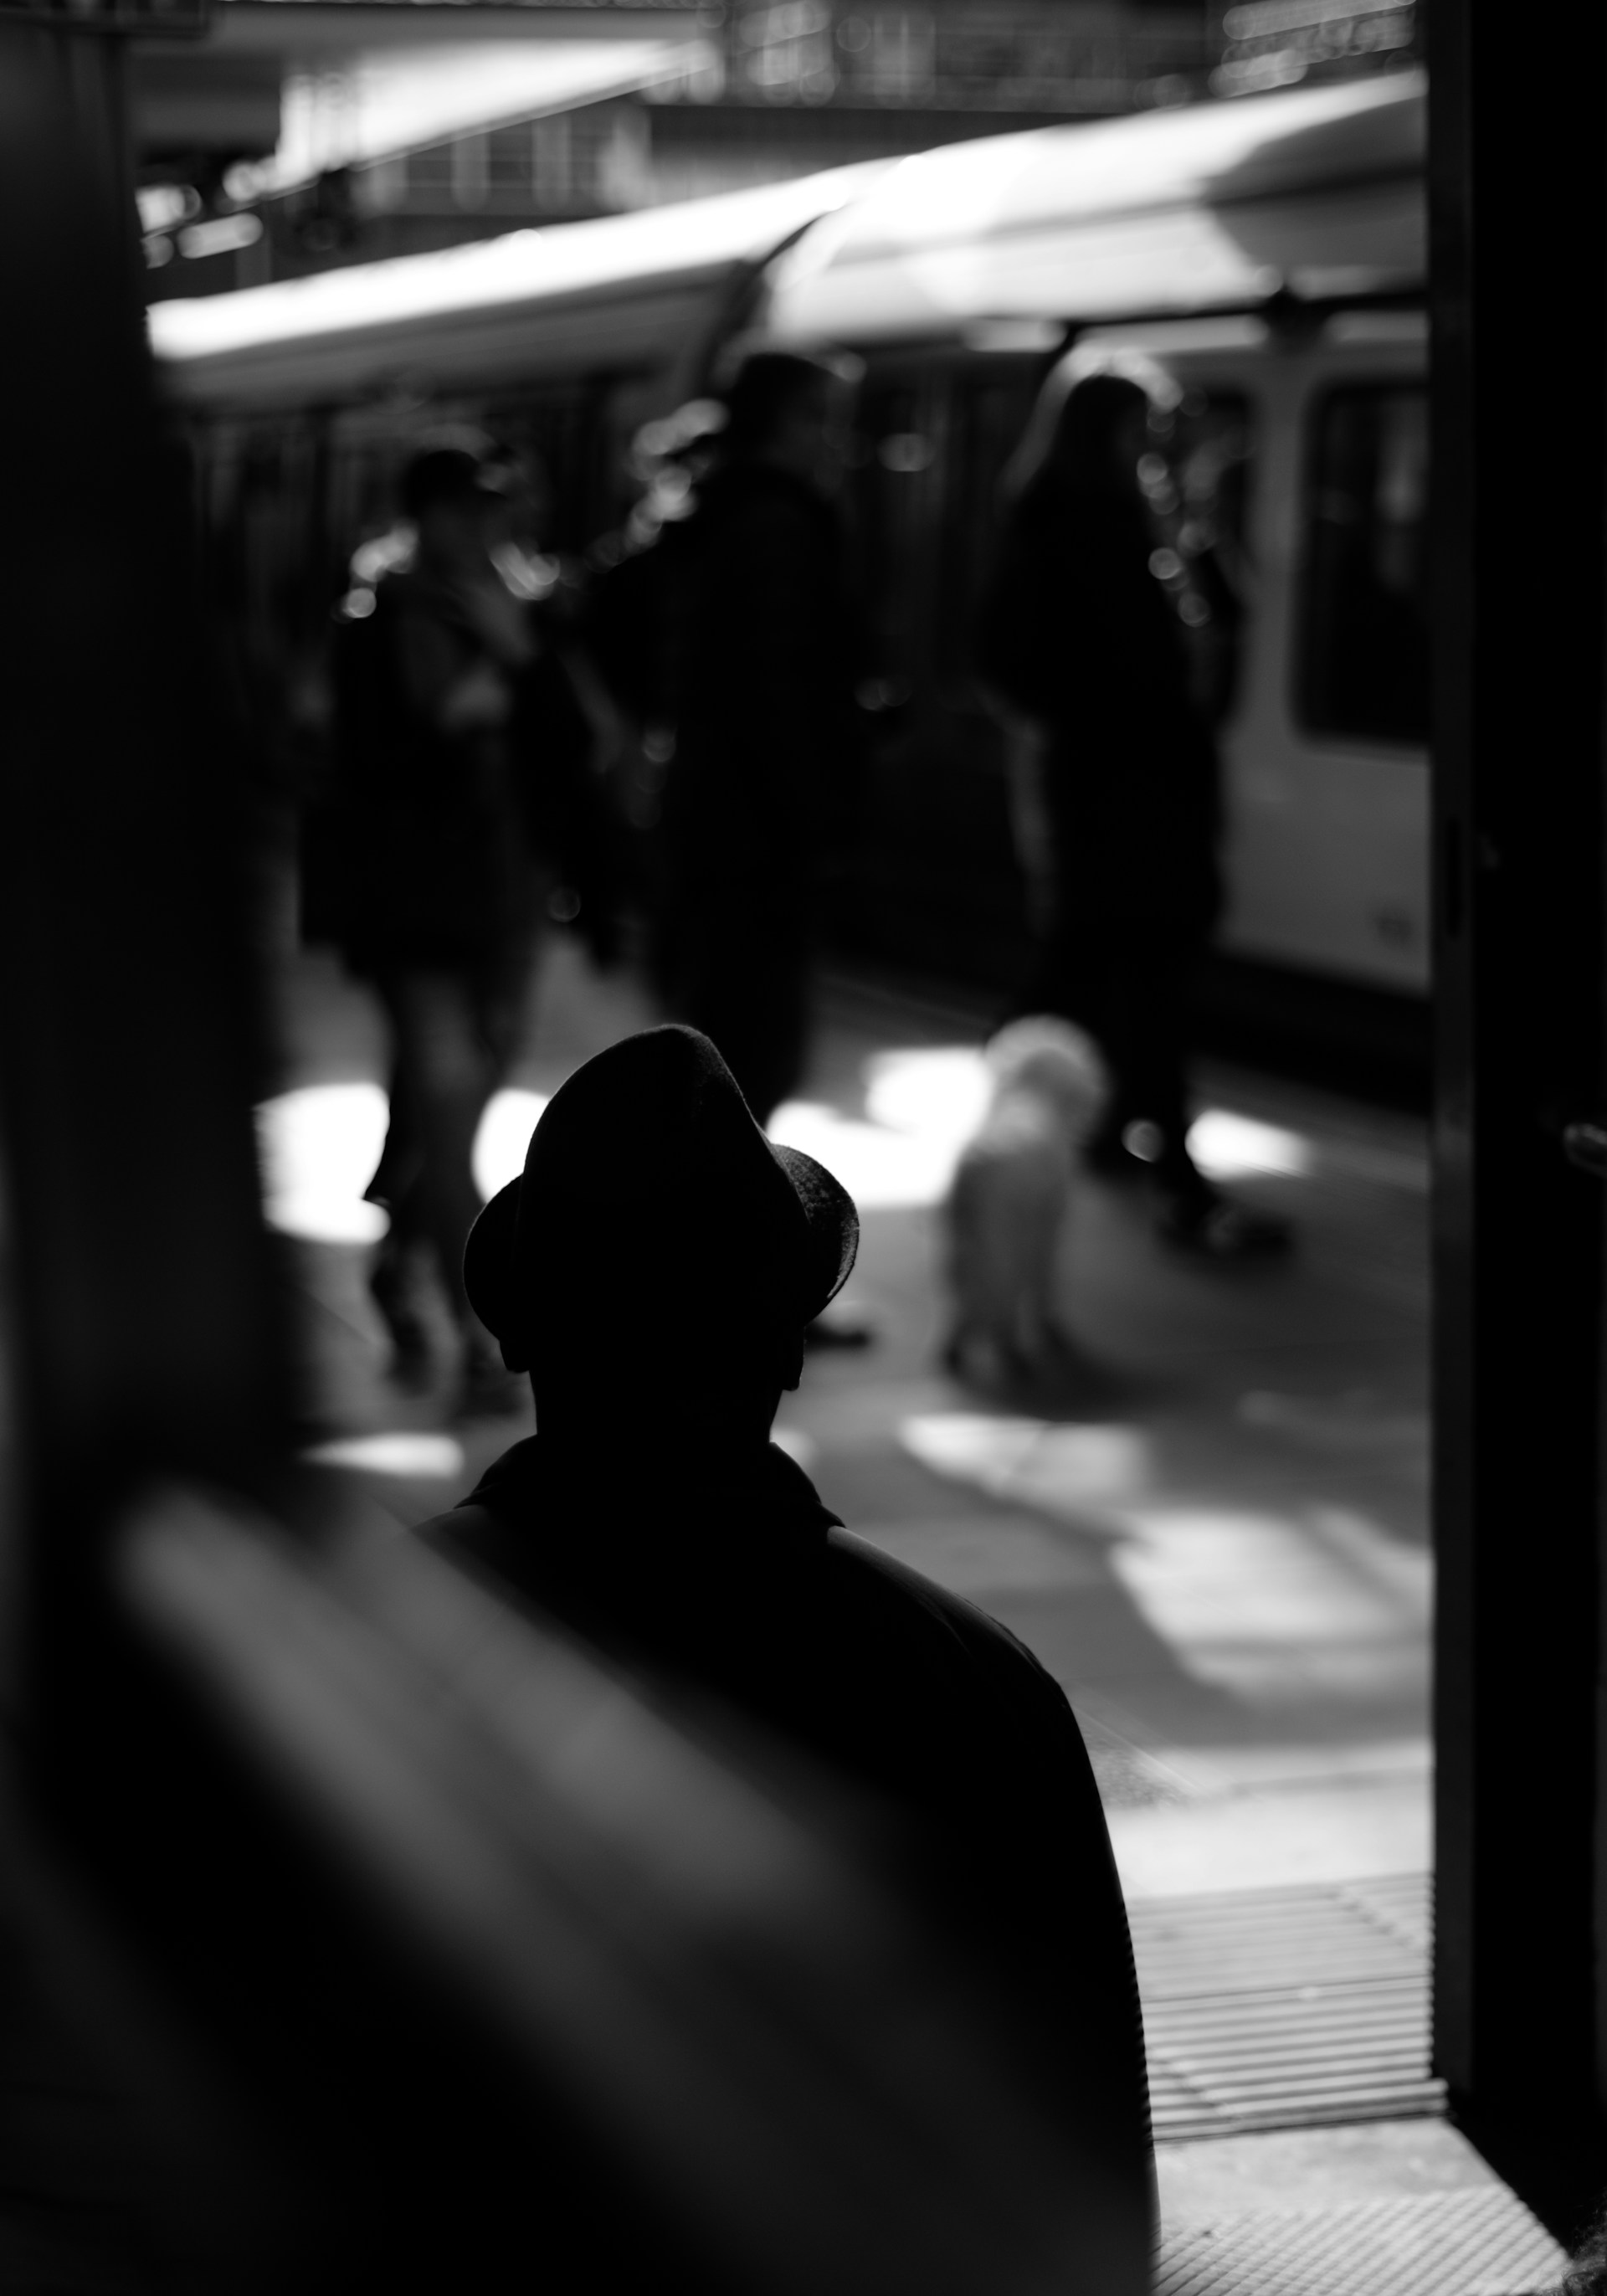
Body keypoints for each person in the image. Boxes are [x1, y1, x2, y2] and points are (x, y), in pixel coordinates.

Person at [416, 1024, 1155, 2267]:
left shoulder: (364, 1628)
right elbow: (1087, 2163)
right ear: (786, 1345)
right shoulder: (975, 1686)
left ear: (520, 1332)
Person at [326, 435, 614, 1411]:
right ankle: (481, 1328)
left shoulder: (527, 609)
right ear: (421, 517)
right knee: (449, 1095)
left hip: (506, 900)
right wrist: (448, 720)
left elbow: (582, 749)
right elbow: (351, 773)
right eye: (457, 510)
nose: (476, 529)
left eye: (487, 509)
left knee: (460, 1096)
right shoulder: (374, 621)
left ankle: (395, 1244)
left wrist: (523, 659)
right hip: (414, 906)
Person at [976, 358, 1287, 1259]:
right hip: (1115, 792)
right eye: (1146, 431)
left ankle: (1115, 1134)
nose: (1158, 448)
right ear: (1106, 434)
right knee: (1137, 974)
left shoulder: (1150, 519)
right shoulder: (1064, 525)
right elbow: (1011, 658)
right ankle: (1177, 1178)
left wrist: (1191, 521)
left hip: (1148, 792)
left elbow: (1228, 614)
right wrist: (1101, 709)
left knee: (1107, 968)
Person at [653, 351, 865, 1132]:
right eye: (829, 423)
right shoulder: (778, 527)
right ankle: (717, 1240)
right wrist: (819, 810)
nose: (839, 446)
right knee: (752, 1056)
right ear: (791, 423)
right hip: (756, 838)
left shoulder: (718, 514)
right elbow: (775, 690)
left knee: (725, 1045)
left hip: (718, 824)